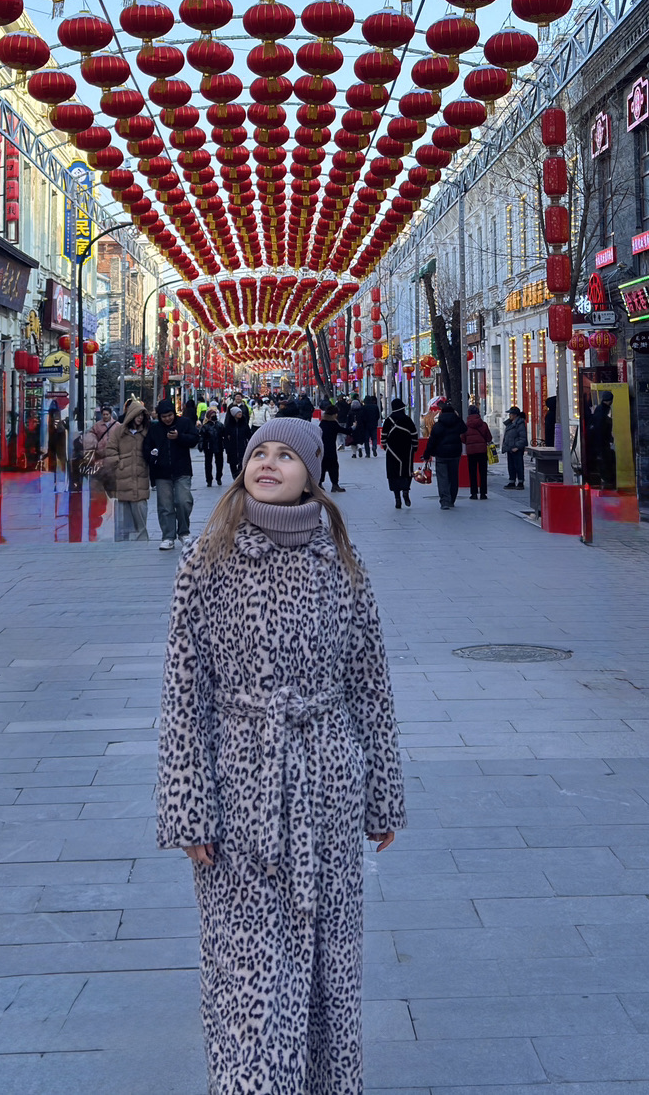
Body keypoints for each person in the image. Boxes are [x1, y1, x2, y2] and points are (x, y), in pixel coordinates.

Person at [158, 418, 405, 1095]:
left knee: (330, 965)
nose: (268, 462)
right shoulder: (205, 560)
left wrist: (381, 794)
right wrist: (189, 810)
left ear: (312, 474)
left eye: (285, 454)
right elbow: (185, 690)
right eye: (258, 452)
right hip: (242, 790)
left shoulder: (343, 563)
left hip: (327, 781)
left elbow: (368, 685)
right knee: (247, 973)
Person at [144, 399, 199, 550]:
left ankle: (184, 532)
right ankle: (168, 536)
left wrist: (179, 437)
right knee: (165, 506)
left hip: (182, 470)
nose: (167, 419)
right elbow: (147, 446)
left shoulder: (184, 423)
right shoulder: (154, 428)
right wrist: (152, 456)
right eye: (164, 416)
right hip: (162, 472)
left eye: (169, 415)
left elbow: (195, 439)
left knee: (183, 501)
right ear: (159, 417)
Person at [102, 398, 151, 540]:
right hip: (123, 478)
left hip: (140, 477)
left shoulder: (146, 432)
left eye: (142, 415)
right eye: (137, 415)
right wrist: (119, 464)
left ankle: (142, 541)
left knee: (140, 510)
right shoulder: (119, 431)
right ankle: (122, 541)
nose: (140, 418)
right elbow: (110, 450)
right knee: (123, 514)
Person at [426, 401, 467, 509]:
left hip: (441, 454)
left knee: (443, 478)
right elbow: (464, 429)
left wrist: (427, 454)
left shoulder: (438, 425)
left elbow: (432, 441)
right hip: (455, 453)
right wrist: (458, 417)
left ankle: (445, 501)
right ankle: (452, 499)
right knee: (454, 477)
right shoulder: (457, 423)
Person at [381, 398, 418, 509]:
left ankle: (397, 497)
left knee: (394, 474)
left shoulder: (388, 420)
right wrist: (415, 447)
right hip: (406, 451)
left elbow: (383, 437)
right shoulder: (407, 420)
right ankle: (406, 491)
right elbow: (414, 435)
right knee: (406, 472)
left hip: (392, 452)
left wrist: (385, 447)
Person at [464, 403, 491, 500]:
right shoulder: (483, 425)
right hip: (482, 451)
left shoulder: (466, 426)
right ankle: (483, 493)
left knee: (472, 472)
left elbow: (463, 438)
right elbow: (489, 437)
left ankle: (474, 493)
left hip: (471, 451)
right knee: (483, 472)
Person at [319, 400, 346, 493]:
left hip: (322, 449)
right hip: (330, 450)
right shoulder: (333, 424)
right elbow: (344, 430)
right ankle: (335, 485)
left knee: (322, 466)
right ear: (334, 414)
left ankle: (319, 484)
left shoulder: (322, 423)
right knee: (333, 467)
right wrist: (354, 428)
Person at [221, 399, 251, 479]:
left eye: (240, 412)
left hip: (242, 446)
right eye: (238, 413)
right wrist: (227, 447)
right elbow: (225, 437)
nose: (240, 414)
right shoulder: (229, 425)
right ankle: (235, 477)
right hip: (232, 448)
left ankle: (239, 477)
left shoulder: (244, 424)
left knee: (242, 463)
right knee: (232, 464)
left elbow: (249, 435)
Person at [501, 406, 528, 490]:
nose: (509, 415)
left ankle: (520, 482)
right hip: (510, 448)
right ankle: (512, 481)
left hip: (516, 449)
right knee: (511, 465)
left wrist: (517, 446)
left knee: (518, 465)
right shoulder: (510, 423)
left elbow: (523, 437)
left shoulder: (520, 423)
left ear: (515, 415)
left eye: (511, 414)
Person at [198, 408, 224, 487]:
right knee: (208, 464)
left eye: (214, 415)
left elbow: (224, 434)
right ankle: (209, 480)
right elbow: (201, 437)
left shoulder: (220, 425)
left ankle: (218, 477)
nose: (214, 416)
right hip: (208, 446)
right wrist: (201, 445)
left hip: (219, 445)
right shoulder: (205, 426)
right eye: (212, 415)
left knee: (219, 463)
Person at [361, 393, 380, 458]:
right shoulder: (375, 406)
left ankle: (368, 453)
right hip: (374, 424)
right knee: (374, 438)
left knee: (366, 440)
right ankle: (374, 446)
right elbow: (378, 415)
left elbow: (362, 416)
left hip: (366, 425)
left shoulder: (363, 407)